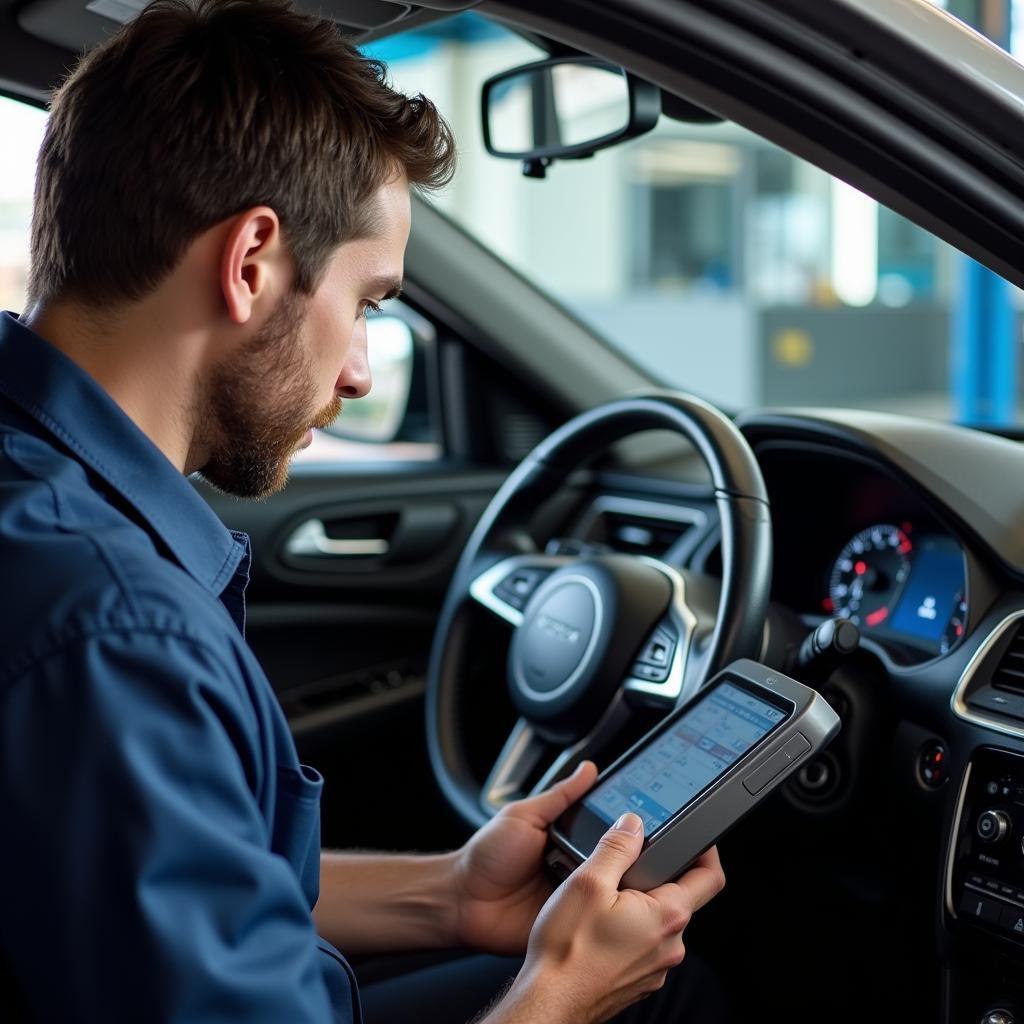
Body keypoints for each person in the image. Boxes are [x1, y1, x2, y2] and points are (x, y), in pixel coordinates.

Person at [0, 1, 727, 1021]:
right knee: (668, 997)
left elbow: (170, 881)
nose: (358, 372)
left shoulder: (40, 500)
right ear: (251, 262)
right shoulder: (118, 630)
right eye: (368, 304)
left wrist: (451, 895)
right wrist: (557, 1000)